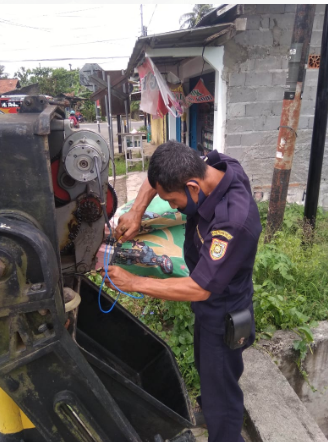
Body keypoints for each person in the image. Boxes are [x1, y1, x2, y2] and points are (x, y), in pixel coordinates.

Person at [104, 141, 262, 442]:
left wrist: (133, 282)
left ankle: (224, 431)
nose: (173, 206)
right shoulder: (211, 167)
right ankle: (212, 412)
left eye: (174, 201)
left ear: (192, 186)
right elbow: (158, 177)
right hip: (208, 307)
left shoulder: (233, 223)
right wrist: (137, 210)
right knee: (208, 371)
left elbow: (199, 288)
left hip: (223, 310)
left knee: (223, 393)